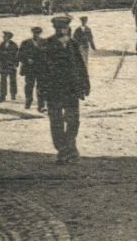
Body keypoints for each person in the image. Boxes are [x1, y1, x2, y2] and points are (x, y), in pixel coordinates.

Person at [35, 14, 89, 163]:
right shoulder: (47, 45)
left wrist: (85, 84)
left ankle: (69, 147)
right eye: (59, 28)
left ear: (67, 28)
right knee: (56, 120)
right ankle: (63, 149)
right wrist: (41, 93)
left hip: (72, 89)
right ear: (55, 28)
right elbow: (41, 71)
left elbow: (80, 65)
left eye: (64, 27)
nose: (62, 30)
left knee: (73, 120)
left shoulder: (73, 44)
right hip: (54, 90)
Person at [19, 26, 45, 111]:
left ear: (40, 33)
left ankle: (41, 105)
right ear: (32, 33)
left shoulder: (44, 42)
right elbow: (19, 55)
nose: (36, 35)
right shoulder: (25, 43)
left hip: (40, 68)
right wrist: (27, 59)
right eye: (34, 33)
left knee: (41, 86)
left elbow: (48, 55)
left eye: (38, 33)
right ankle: (28, 101)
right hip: (29, 69)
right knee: (29, 85)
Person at [0, 31, 20, 103]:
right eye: (4, 36)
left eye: (5, 36)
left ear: (9, 37)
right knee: (3, 81)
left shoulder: (14, 45)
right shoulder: (1, 45)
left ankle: (13, 94)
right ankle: (3, 95)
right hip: (3, 65)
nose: (3, 37)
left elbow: (17, 55)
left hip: (11, 65)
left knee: (13, 80)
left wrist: (16, 64)